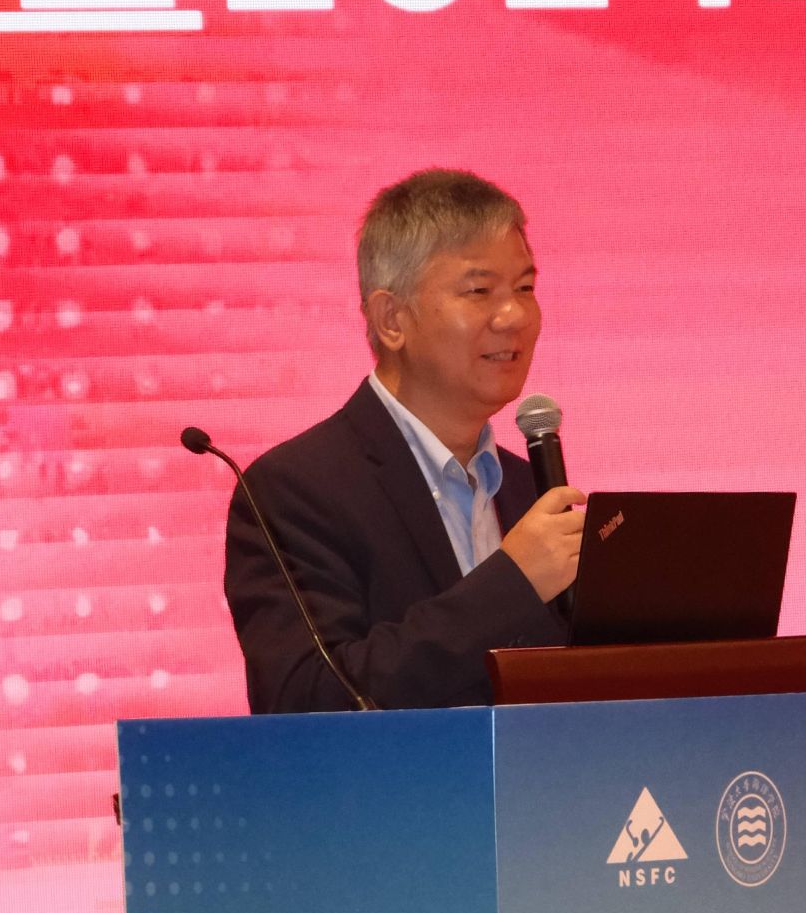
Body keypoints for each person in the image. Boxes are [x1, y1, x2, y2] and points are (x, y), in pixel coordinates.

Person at [224, 168, 586, 711]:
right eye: (479, 291)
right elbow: (308, 700)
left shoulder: (528, 490)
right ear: (391, 318)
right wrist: (512, 583)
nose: (515, 316)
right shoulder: (294, 491)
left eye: (525, 288)